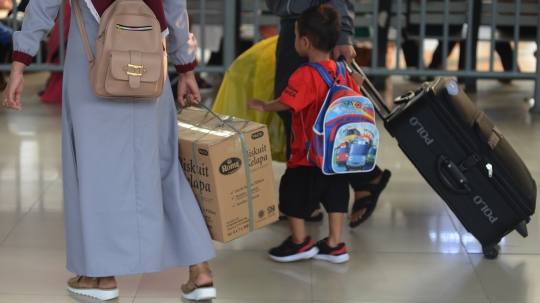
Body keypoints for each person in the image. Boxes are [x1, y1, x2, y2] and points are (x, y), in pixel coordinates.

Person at [3, 0, 216, 301]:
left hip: (93, 64)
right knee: (162, 166)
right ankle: (200, 271)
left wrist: (20, 63)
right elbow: (174, 8)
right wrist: (186, 68)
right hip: (148, 62)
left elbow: (43, 4)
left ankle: (101, 276)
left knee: (96, 171)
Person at [248, 4, 372, 263]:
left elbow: (288, 103)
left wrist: (264, 105)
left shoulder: (304, 74)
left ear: (304, 42)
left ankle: (299, 241)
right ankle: (335, 244)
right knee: (337, 196)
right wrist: (356, 85)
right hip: (336, 157)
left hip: (307, 154)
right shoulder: (341, 71)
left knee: (292, 194)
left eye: (295, 37)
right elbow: (353, 100)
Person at [266, 0, 391, 228]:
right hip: (301, 18)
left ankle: (357, 178)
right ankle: (321, 198)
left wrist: (342, 33)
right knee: (317, 110)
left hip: (313, 19)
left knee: (308, 109)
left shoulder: (308, 38)